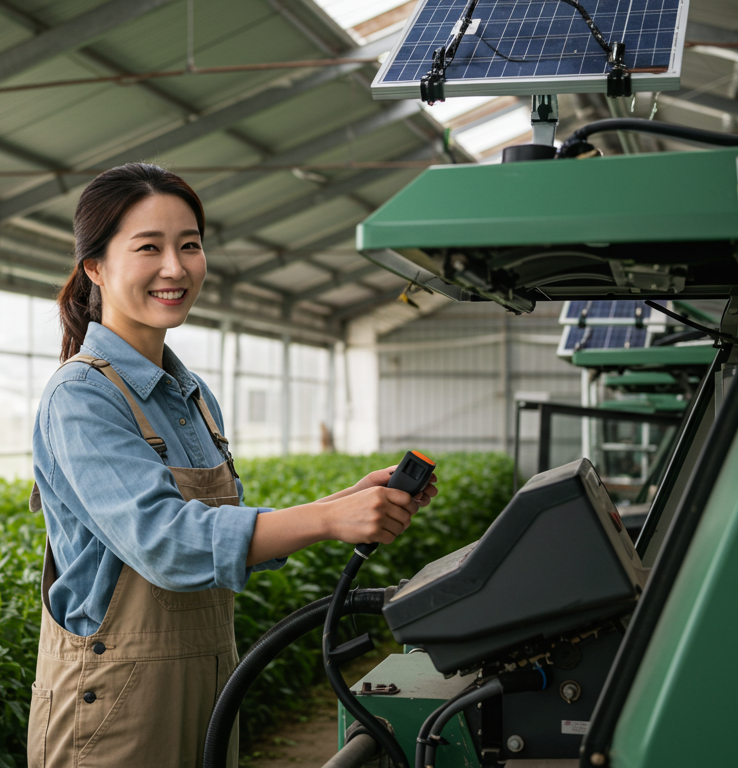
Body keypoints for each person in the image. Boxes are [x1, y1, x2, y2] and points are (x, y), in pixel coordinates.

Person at [26, 163, 436, 768]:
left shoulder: (190, 395)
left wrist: (343, 504)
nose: (176, 267)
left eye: (189, 246)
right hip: (111, 707)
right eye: (149, 248)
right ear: (95, 266)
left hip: (208, 685)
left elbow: (224, 529)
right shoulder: (81, 397)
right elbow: (167, 542)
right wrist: (329, 522)